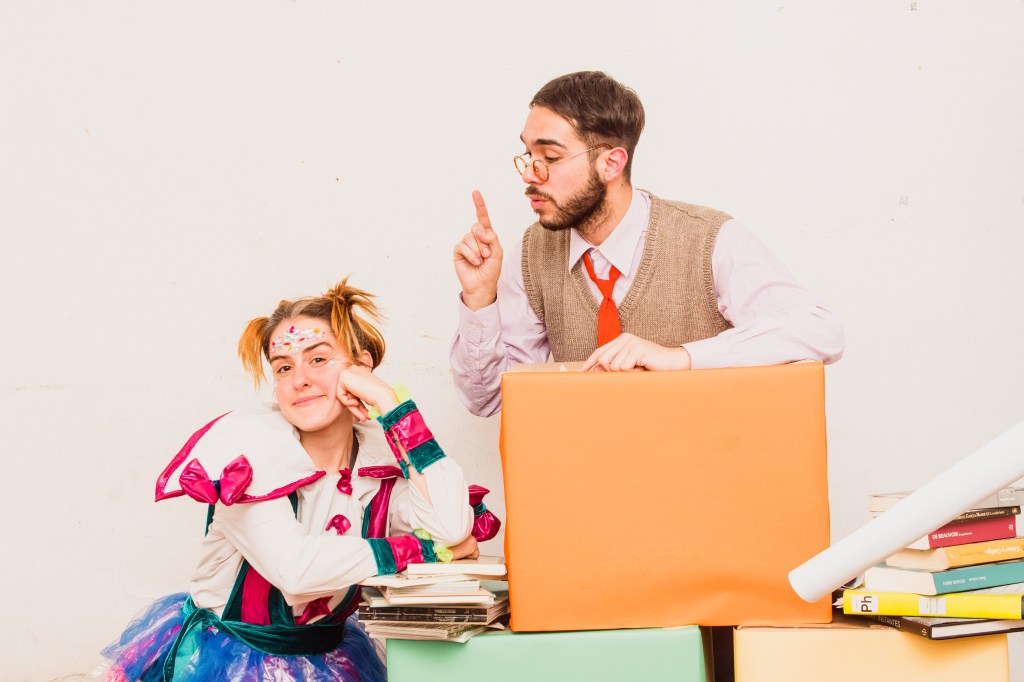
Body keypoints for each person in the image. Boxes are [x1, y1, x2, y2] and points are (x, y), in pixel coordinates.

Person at [100, 279, 496, 681]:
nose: (299, 380)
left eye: (318, 359)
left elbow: (451, 526)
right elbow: (296, 570)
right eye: (284, 367)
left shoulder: (379, 464)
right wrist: (426, 550)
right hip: (228, 661)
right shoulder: (250, 455)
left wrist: (390, 402)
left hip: (326, 658)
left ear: (360, 366)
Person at [451, 70, 845, 417]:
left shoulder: (707, 239)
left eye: (550, 157)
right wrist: (480, 299)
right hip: (590, 469)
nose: (529, 175)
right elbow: (489, 400)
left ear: (611, 163)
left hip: (703, 466)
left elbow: (821, 330)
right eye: (528, 154)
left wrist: (681, 358)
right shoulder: (532, 253)